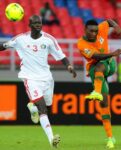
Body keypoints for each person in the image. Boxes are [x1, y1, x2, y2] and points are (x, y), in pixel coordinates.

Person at [0, 15, 76, 148]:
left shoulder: (49, 40)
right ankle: (52, 140)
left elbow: (61, 55)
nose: (38, 25)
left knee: (46, 107)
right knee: (43, 109)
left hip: (46, 78)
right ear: (29, 25)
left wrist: (69, 66)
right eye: (35, 23)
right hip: (30, 78)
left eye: (39, 23)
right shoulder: (20, 39)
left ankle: (32, 108)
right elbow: (4, 46)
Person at [77, 19, 121, 149]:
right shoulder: (81, 44)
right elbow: (97, 56)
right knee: (104, 103)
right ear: (85, 30)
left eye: (95, 31)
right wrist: (113, 53)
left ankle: (96, 91)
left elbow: (109, 21)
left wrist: (116, 25)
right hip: (95, 67)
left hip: (110, 64)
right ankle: (110, 138)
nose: (94, 33)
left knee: (100, 66)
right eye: (91, 31)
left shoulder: (102, 28)